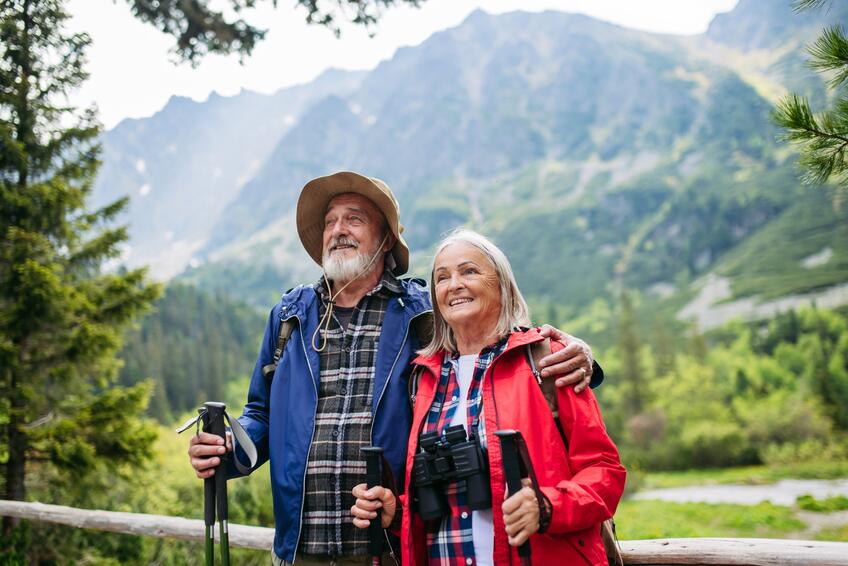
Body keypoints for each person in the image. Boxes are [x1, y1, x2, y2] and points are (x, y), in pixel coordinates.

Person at [187, 172, 603, 566]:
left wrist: (577, 350)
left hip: (387, 542)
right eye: (330, 221)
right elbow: (261, 415)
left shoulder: (421, 313)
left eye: (354, 219)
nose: (338, 230)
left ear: (386, 237)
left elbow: (495, 336)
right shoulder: (289, 316)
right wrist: (228, 450)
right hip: (300, 544)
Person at [351, 229, 625, 566]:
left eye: (469, 271)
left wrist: (547, 505)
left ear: (502, 284)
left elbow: (604, 471)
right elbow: (445, 495)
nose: (454, 285)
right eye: (442, 278)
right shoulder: (425, 378)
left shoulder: (548, 359)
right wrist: (398, 513)